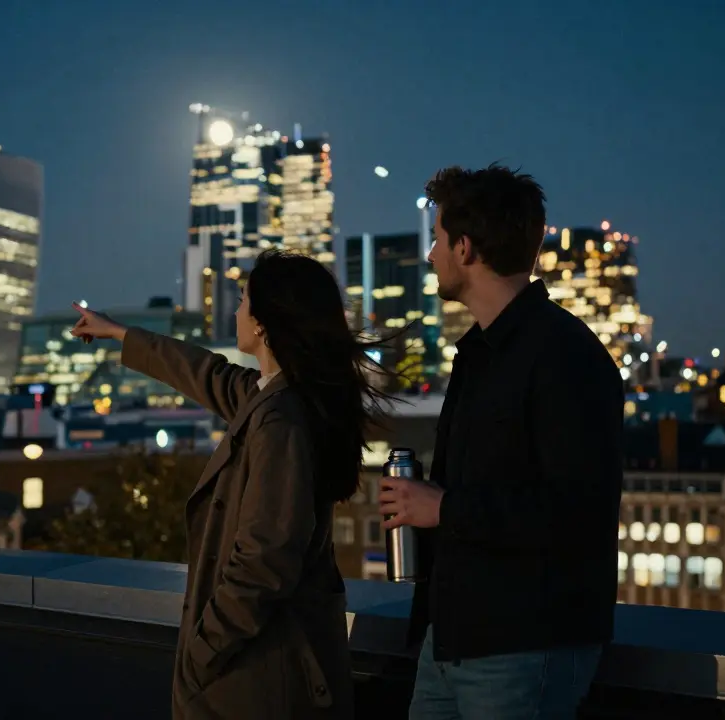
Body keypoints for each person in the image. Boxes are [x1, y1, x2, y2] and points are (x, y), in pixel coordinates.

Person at [71, 249, 393, 720]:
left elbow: (263, 562)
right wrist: (119, 333)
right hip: (259, 667)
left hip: (261, 674)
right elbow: (206, 372)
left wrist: (200, 653)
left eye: (243, 300)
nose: (235, 310)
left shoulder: (282, 419)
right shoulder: (276, 397)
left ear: (263, 323)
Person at [377, 164, 624, 719]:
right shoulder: (481, 354)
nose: (431, 255)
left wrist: (442, 507)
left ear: (465, 248)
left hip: (522, 647)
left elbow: (579, 511)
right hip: (454, 638)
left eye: (438, 240)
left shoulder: (565, 356)